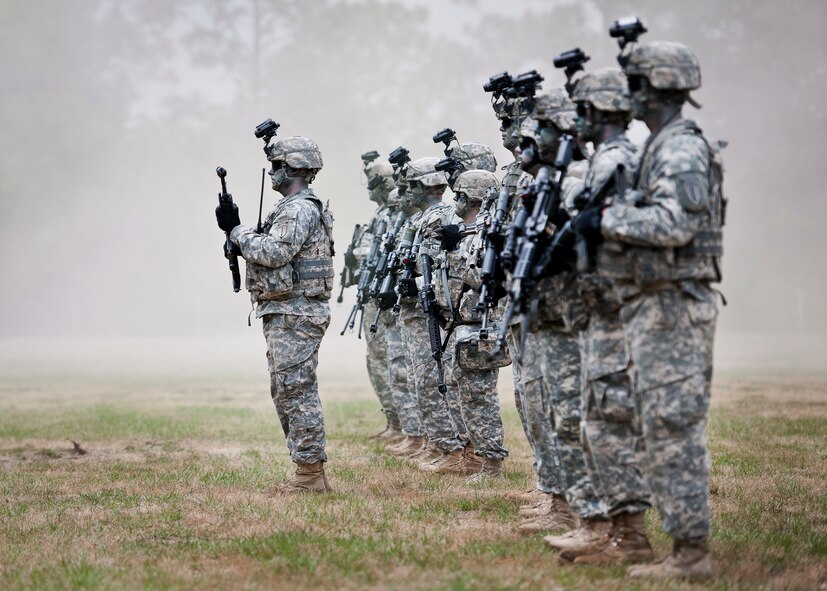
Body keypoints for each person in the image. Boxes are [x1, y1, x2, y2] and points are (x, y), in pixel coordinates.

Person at [587, 41, 724, 579]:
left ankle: (692, 554)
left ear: (652, 87)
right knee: (653, 425)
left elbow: (676, 225)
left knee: (672, 426)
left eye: (635, 83)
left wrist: (604, 220)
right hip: (654, 303)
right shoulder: (658, 146)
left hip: (675, 305)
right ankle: (682, 547)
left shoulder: (680, 150)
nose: (629, 94)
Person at [543, 68, 654, 564]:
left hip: (614, 308)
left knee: (608, 419)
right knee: (593, 420)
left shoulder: (618, 160)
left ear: (595, 111)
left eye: (581, 110)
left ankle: (627, 537)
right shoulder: (605, 161)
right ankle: (605, 527)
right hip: (594, 309)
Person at [215, 136, 335, 494]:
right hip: (288, 310)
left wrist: (237, 232)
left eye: (275, 166)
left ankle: (310, 476)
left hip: (296, 312)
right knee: (287, 389)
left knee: (296, 391)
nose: (271, 173)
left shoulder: (298, 209)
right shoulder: (292, 207)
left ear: (290, 169)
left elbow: (275, 252)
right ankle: (308, 472)